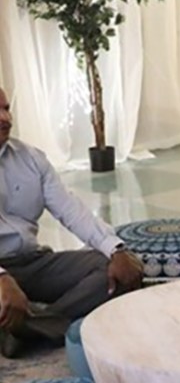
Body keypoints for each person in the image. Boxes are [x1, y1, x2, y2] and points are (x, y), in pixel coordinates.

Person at [0, 86, 143, 358]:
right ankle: (42, 322)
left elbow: (71, 210)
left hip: (32, 262)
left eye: (6, 108)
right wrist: (2, 279)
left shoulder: (30, 158)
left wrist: (116, 249)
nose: (5, 118)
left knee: (110, 270)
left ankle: (28, 327)